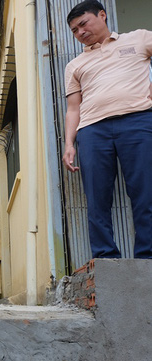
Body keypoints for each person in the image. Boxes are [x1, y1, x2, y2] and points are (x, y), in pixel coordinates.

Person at [62, 0, 152, 259]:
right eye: (74, 30)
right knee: (97, 198)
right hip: (92, 131)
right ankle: (105, 256)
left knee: (145, 192)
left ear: (102, 15)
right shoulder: (75, 65)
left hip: (138, 122)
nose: (80, 32)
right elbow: (73, 108)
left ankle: (147, 255)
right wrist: (69, 144)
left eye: (83, 24)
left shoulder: (139, 39)